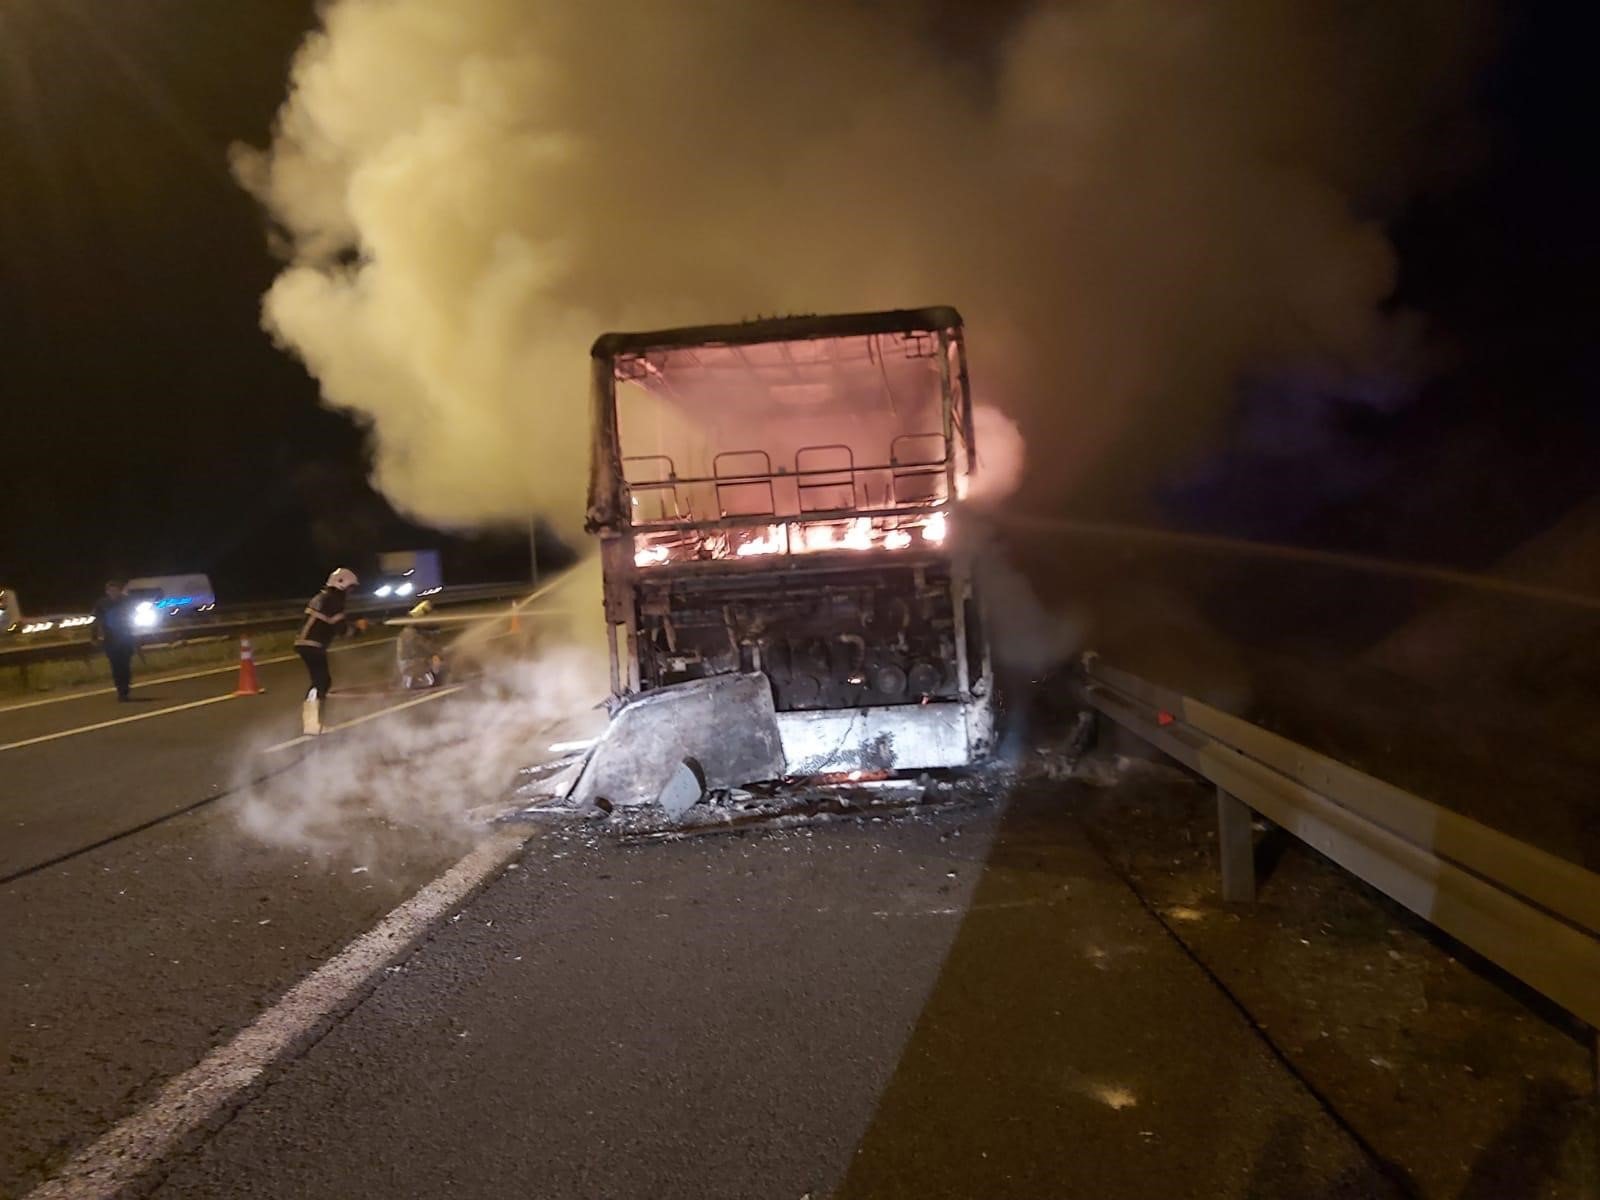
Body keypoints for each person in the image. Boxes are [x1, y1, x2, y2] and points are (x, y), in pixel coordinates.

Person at [295, 567, 362, 734]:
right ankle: (312, 724)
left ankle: (314, 723)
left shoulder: (324, 598)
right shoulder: (333, 600)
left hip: (307, 643)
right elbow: (343, 630)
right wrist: (359, 628)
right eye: (350, 588)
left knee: (322, 681)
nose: (350, 593)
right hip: (312, 644)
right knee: (320, 682)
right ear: (341, 584)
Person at [90, 580, 138, 700]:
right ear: (107, 592)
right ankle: (120, 690)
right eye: (110, 590)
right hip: (110, 639)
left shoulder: (126, 601)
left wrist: (135, 636)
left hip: (125, 638)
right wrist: (94, 636)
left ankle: (125, 688)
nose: (113, 593)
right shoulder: (102, 604)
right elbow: (96, 622)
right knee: (115, 665)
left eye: (115, 590)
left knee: (125, 665)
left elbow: (133, 618)